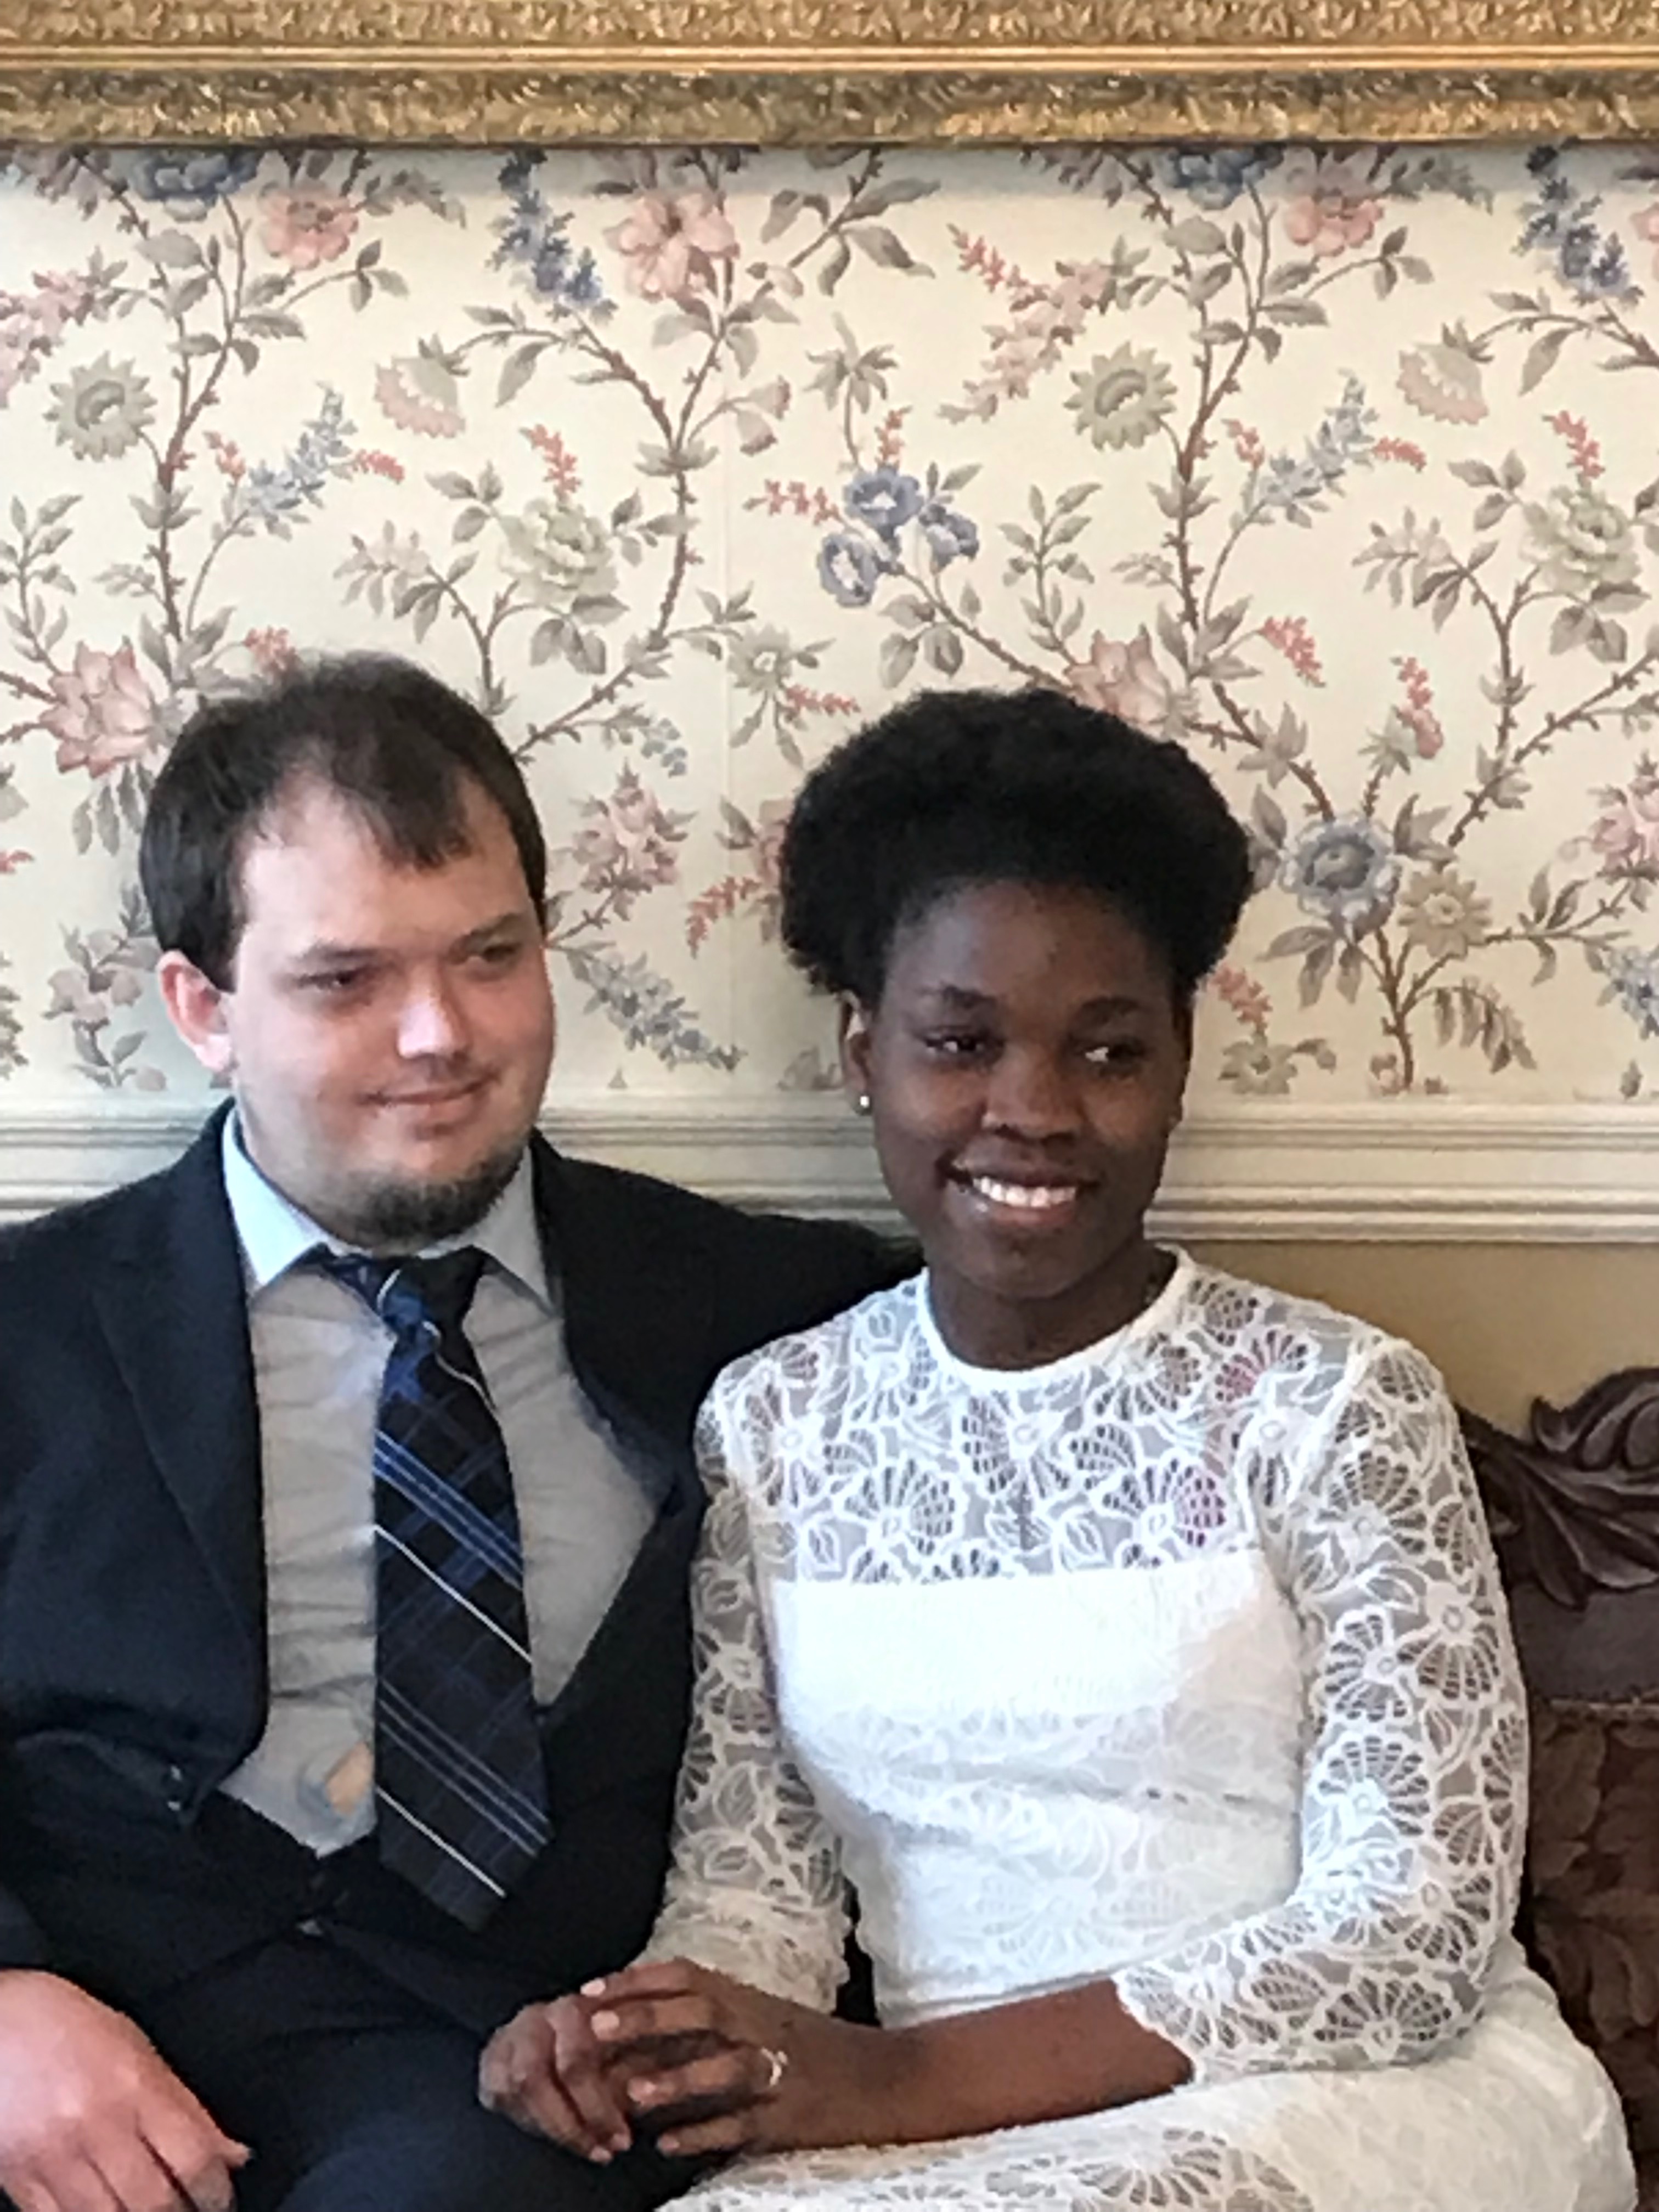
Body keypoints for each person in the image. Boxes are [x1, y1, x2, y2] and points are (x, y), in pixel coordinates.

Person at [481, 686, 1635, 2212]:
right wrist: (635, 2035)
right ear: (864, 1049)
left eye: (1107, 1051)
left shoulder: (1337, 1405)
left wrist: (897, 2082)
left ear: (1180, 1060)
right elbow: (755, 1896)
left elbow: (1405, 1944)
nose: (1032, 1111)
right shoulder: (775, 1425)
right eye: (960, 1042)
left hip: (1356, 2098)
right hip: (932, 2143)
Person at [0, 656, 904, 2212]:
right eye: (345, 981)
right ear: (204, 1011)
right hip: (90, 1999)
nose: (439, 1035)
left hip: (503, 2070)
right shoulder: (30, 1326)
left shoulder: (779, 1318)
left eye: (490, 956)